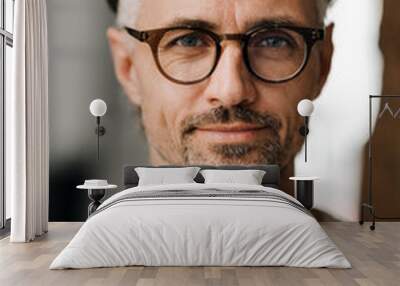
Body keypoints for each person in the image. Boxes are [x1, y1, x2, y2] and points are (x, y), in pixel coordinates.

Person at [106, 0, 334, 193]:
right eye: (189, 41)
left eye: (273, 42)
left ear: (322, 65)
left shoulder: (362, 246)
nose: (231, 92)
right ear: (128, 68)